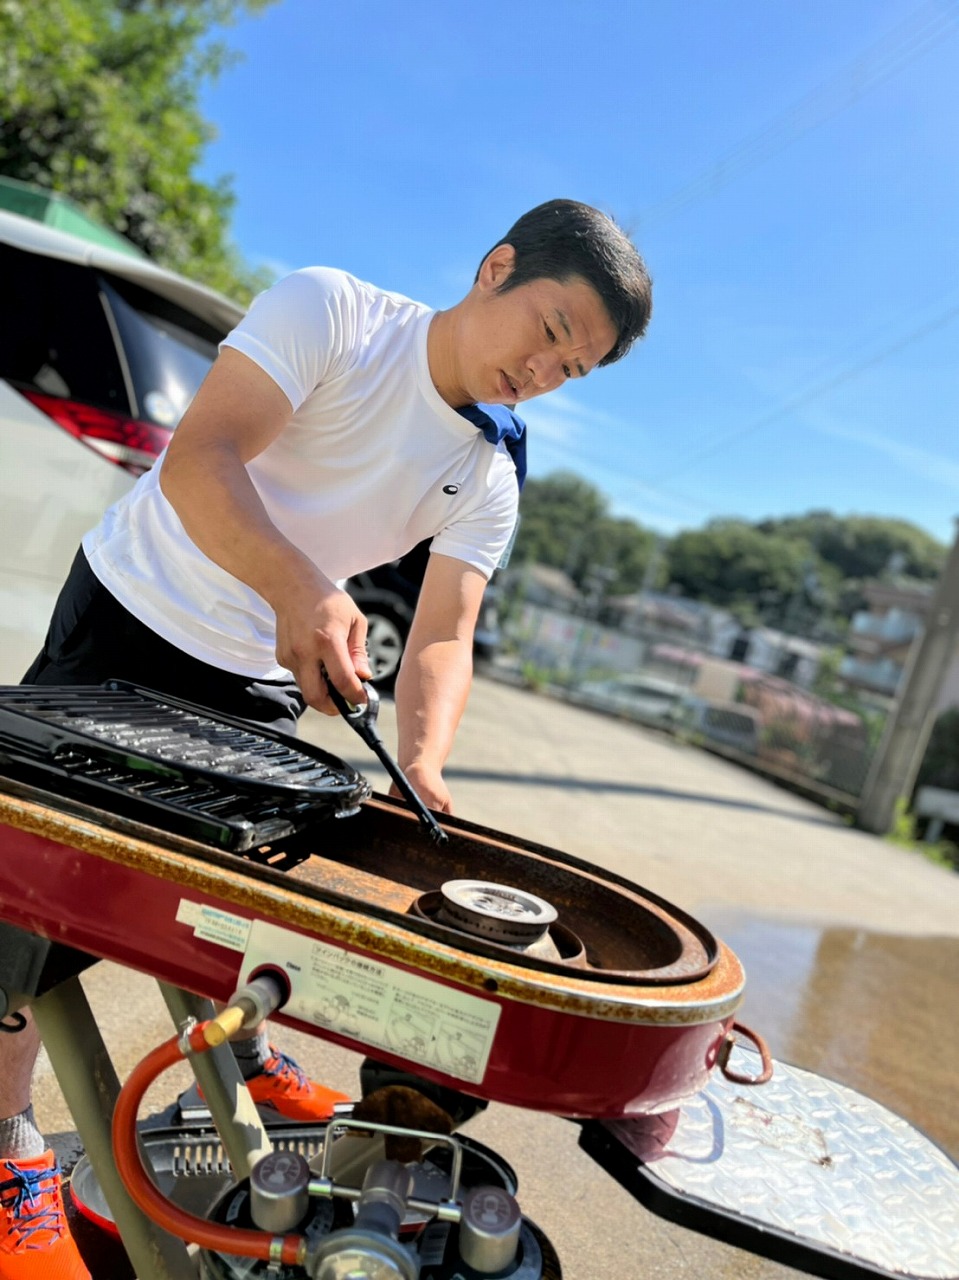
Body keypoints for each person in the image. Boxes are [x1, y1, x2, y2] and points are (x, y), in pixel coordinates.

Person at [0, 197, 652, 1278]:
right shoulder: (335, 312)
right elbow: (200, 458)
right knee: (30, 906)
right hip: (133, 614)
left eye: (572, 369)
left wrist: (424, 760)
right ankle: (9, 1148)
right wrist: (302, 588)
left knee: (237, 895)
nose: (544, 372)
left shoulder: (489, 469)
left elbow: (442, 634)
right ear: (495, 267)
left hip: (261, 676)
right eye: (549, 331)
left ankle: (245, 1054)